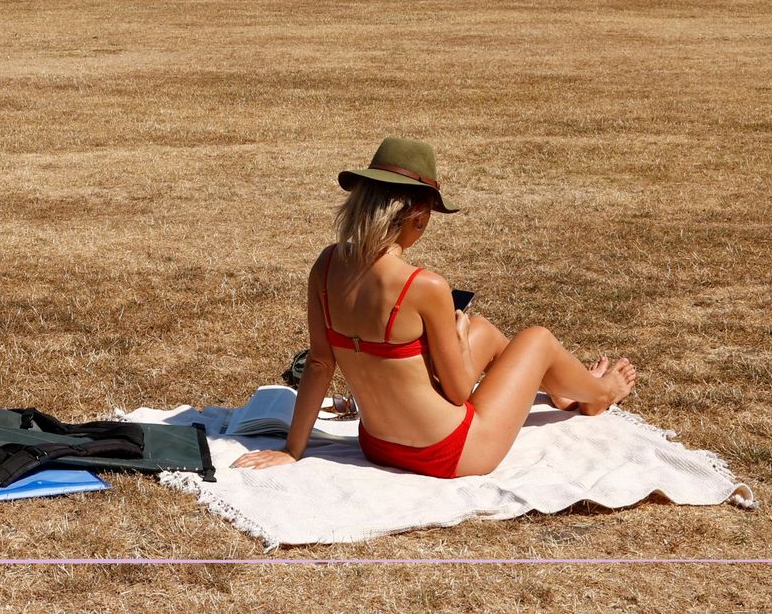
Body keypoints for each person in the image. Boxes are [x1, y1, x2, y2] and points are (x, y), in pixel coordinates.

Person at [232, 136, 637, 478]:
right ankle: (600, 393)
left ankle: (563, 393)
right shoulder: (424, 285)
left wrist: (293, 450)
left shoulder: (325, 266)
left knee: (486, 332)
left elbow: (321, 364)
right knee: (537, 339)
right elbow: (460, 392)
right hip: (448, 453)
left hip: (379, 444)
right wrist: (458, 342)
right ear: (419, 216)